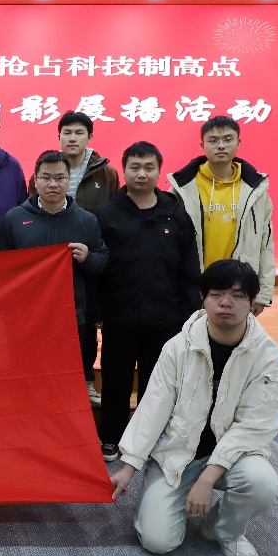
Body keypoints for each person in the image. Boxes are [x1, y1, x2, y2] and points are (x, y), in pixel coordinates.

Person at [110, 260, 278, 556]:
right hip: (177, 453)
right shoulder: (178, 347)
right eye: (216, 294)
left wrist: (207, 479)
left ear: (252, 303)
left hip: (235, 456)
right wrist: (129, 465)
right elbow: (153, 407)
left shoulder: (270, 357)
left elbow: (255, 427)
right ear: (203, 298)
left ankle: (222, 529)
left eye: (237, 295)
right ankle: (170, 499)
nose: (225, 303)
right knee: (158, 542)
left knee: (262, 484)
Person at [95, 141, 202, 462]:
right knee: (116, 380)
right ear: (124, 170)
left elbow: (189, 269)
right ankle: (112, 437)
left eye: (149, 168)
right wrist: (99, 311)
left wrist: (188, 314)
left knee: (158, 383)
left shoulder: (176, 214)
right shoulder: (107, 215)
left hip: (165, 316)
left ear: (158, 171)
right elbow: (99, 268)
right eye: (135, 167)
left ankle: (147, 439)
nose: (141, 174)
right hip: (120, 316)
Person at [0, 150, 108, 388]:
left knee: (64, 382)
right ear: (35, 180)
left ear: (69, 180)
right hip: (25, 319)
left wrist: (88, 257)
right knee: (25, 381)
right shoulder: (14, 219)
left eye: (59, 178)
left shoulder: (86, 220)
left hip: (70, 318)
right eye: (46, 177)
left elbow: (102, 262)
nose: (53, 184)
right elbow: (0, 269)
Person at [31, 111, 119, 407]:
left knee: (87, 322)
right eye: (67, 132)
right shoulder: (45, 168)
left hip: (88, 258)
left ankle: (87, 381)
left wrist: (93, 253)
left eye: (79, 132)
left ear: (89, 137)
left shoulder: (106, 173)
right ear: (58, 136)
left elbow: (113, 214)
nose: (73, 138)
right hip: (49, 266)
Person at [168, 116, 275, 316]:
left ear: (238, 143)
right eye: (213, 140)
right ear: (202, 145)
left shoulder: (256, 191)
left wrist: (262, 294)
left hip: (239, 287)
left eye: (227, 139)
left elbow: (266, 244)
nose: (221, 145)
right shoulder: (182, 188)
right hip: (193, 285)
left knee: (234, 336)